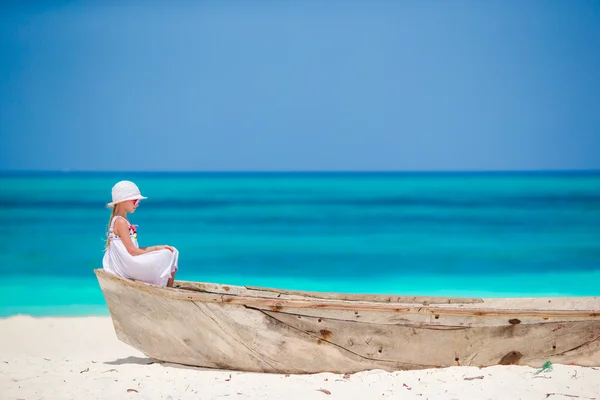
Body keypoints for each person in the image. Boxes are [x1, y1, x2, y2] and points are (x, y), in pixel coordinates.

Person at [102, 180, 179, 287]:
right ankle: (168, 288)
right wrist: (156, 249)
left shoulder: (121, 220)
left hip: (128, 263)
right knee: (168, 254)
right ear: (123, 201)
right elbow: (132, 251)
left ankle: (167, 287)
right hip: (128, 265)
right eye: (135, 201)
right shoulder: (121, 222)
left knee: (171, 251)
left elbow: (131, 249)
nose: (137, 204)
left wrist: (157, 248)